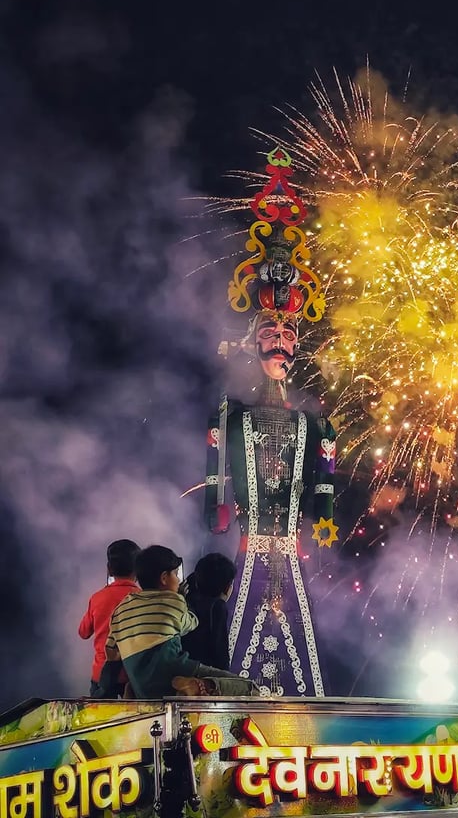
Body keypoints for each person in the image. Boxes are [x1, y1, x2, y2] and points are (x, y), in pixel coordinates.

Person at [204, 148, 336, 697]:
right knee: (243, 626)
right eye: (269, 333)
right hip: (253, 540)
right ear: (251, 342)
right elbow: (216, 457)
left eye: (288, 335)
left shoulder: (311, 420)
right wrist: (216, 501)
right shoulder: (233, 413)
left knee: (299, 634)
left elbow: (324, 471)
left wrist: (325, 509)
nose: (280, 342)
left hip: (290, 541)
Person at [100, 544, 267, 698]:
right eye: (175, 574)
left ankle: (132, 692)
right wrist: (181, 597)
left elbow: (112, 655)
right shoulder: (174, 601)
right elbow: (191, 623)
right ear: (164, 578)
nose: (179, 580)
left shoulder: (121, 609)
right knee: (249, 688)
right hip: (174, 671)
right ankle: (197, 686)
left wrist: (103, 693)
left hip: (142, 686)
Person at [78, 539, 140, 695]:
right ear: (138, 570)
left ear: (109, 570)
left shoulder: (97, 598)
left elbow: (83, 632)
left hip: (102, 675)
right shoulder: (143, 598)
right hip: (133, 677)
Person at [182, 552, 236, 670]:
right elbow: (220, 653)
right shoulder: (217, 608)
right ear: (227, 588)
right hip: (198, 670)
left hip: (181, 665)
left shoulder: (186, 594)